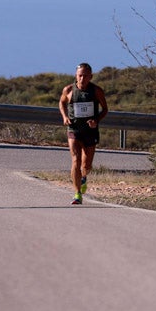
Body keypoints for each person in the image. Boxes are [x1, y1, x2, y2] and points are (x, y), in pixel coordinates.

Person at [58, 62, 108, 205]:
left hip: (90, 131)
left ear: (90, 76)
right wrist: (65, 116)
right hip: (74, 129)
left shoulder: (97, 91)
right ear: (76, 75)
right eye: (80, 75)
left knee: (86, 165)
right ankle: (77, 193)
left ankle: (84, 177)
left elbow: (105, 109)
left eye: (85, 76)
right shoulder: (68, 90)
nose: (82, 79)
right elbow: (61, 103)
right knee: (75, 160)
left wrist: (96, 120)